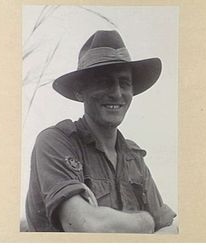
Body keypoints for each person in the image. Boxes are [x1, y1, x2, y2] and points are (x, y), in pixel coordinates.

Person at [26, 30, 176, 233]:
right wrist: (146, 222)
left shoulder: (133, 157)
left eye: (124, 83)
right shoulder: (55, 142)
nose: (116, 93)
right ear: (80, 91)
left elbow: (170, 228)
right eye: (104, 82)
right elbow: (84, 225)